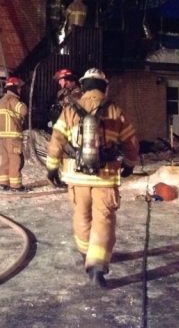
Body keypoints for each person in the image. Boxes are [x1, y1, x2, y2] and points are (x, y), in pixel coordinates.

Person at [45, 68, 140, 288]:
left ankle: (86, 253)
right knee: (103, 219)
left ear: (84, 85)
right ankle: (97, 266)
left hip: (76, 177)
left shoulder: (69, 110)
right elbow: (130, 142)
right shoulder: (115, 110)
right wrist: (129, 164)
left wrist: (52, 168)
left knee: (82, 216)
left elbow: (57, 140)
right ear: (104, 87)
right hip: (105, 177)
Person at [0, 76, 29, 192]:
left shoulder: (1, 101)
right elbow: (24, 110)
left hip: (2, 137)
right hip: (13, 137)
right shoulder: (13, 100)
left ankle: (4, 183)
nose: (20, 91)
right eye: (19, 88)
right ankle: (16, 185)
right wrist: (23, 104)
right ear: (14, 88)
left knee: (5, 160)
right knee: (15, 160)